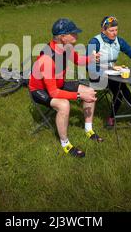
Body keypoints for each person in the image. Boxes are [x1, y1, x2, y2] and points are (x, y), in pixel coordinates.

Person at [29, 18, 102, 158]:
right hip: (40, 90)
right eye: (73, 33)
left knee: (90, 91)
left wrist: (91, 59)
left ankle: (89, 129)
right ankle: (65, 143)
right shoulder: (47, 59)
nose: (77, 35)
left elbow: (77, 60)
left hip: (58, 83)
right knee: (64, 105)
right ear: (63, 37)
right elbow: (53, 92)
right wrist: (79, 96)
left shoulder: (67, 47)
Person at [87, 15, 131, 127]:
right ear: (103, 30)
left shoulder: (118, 41)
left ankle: (113, 117)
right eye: (111, 30)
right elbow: (88, 65)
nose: (114, 33)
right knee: (120, 86)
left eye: (116, 30)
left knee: (120, 87)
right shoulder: (95, 42)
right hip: (96, 74)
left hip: (112, 74)